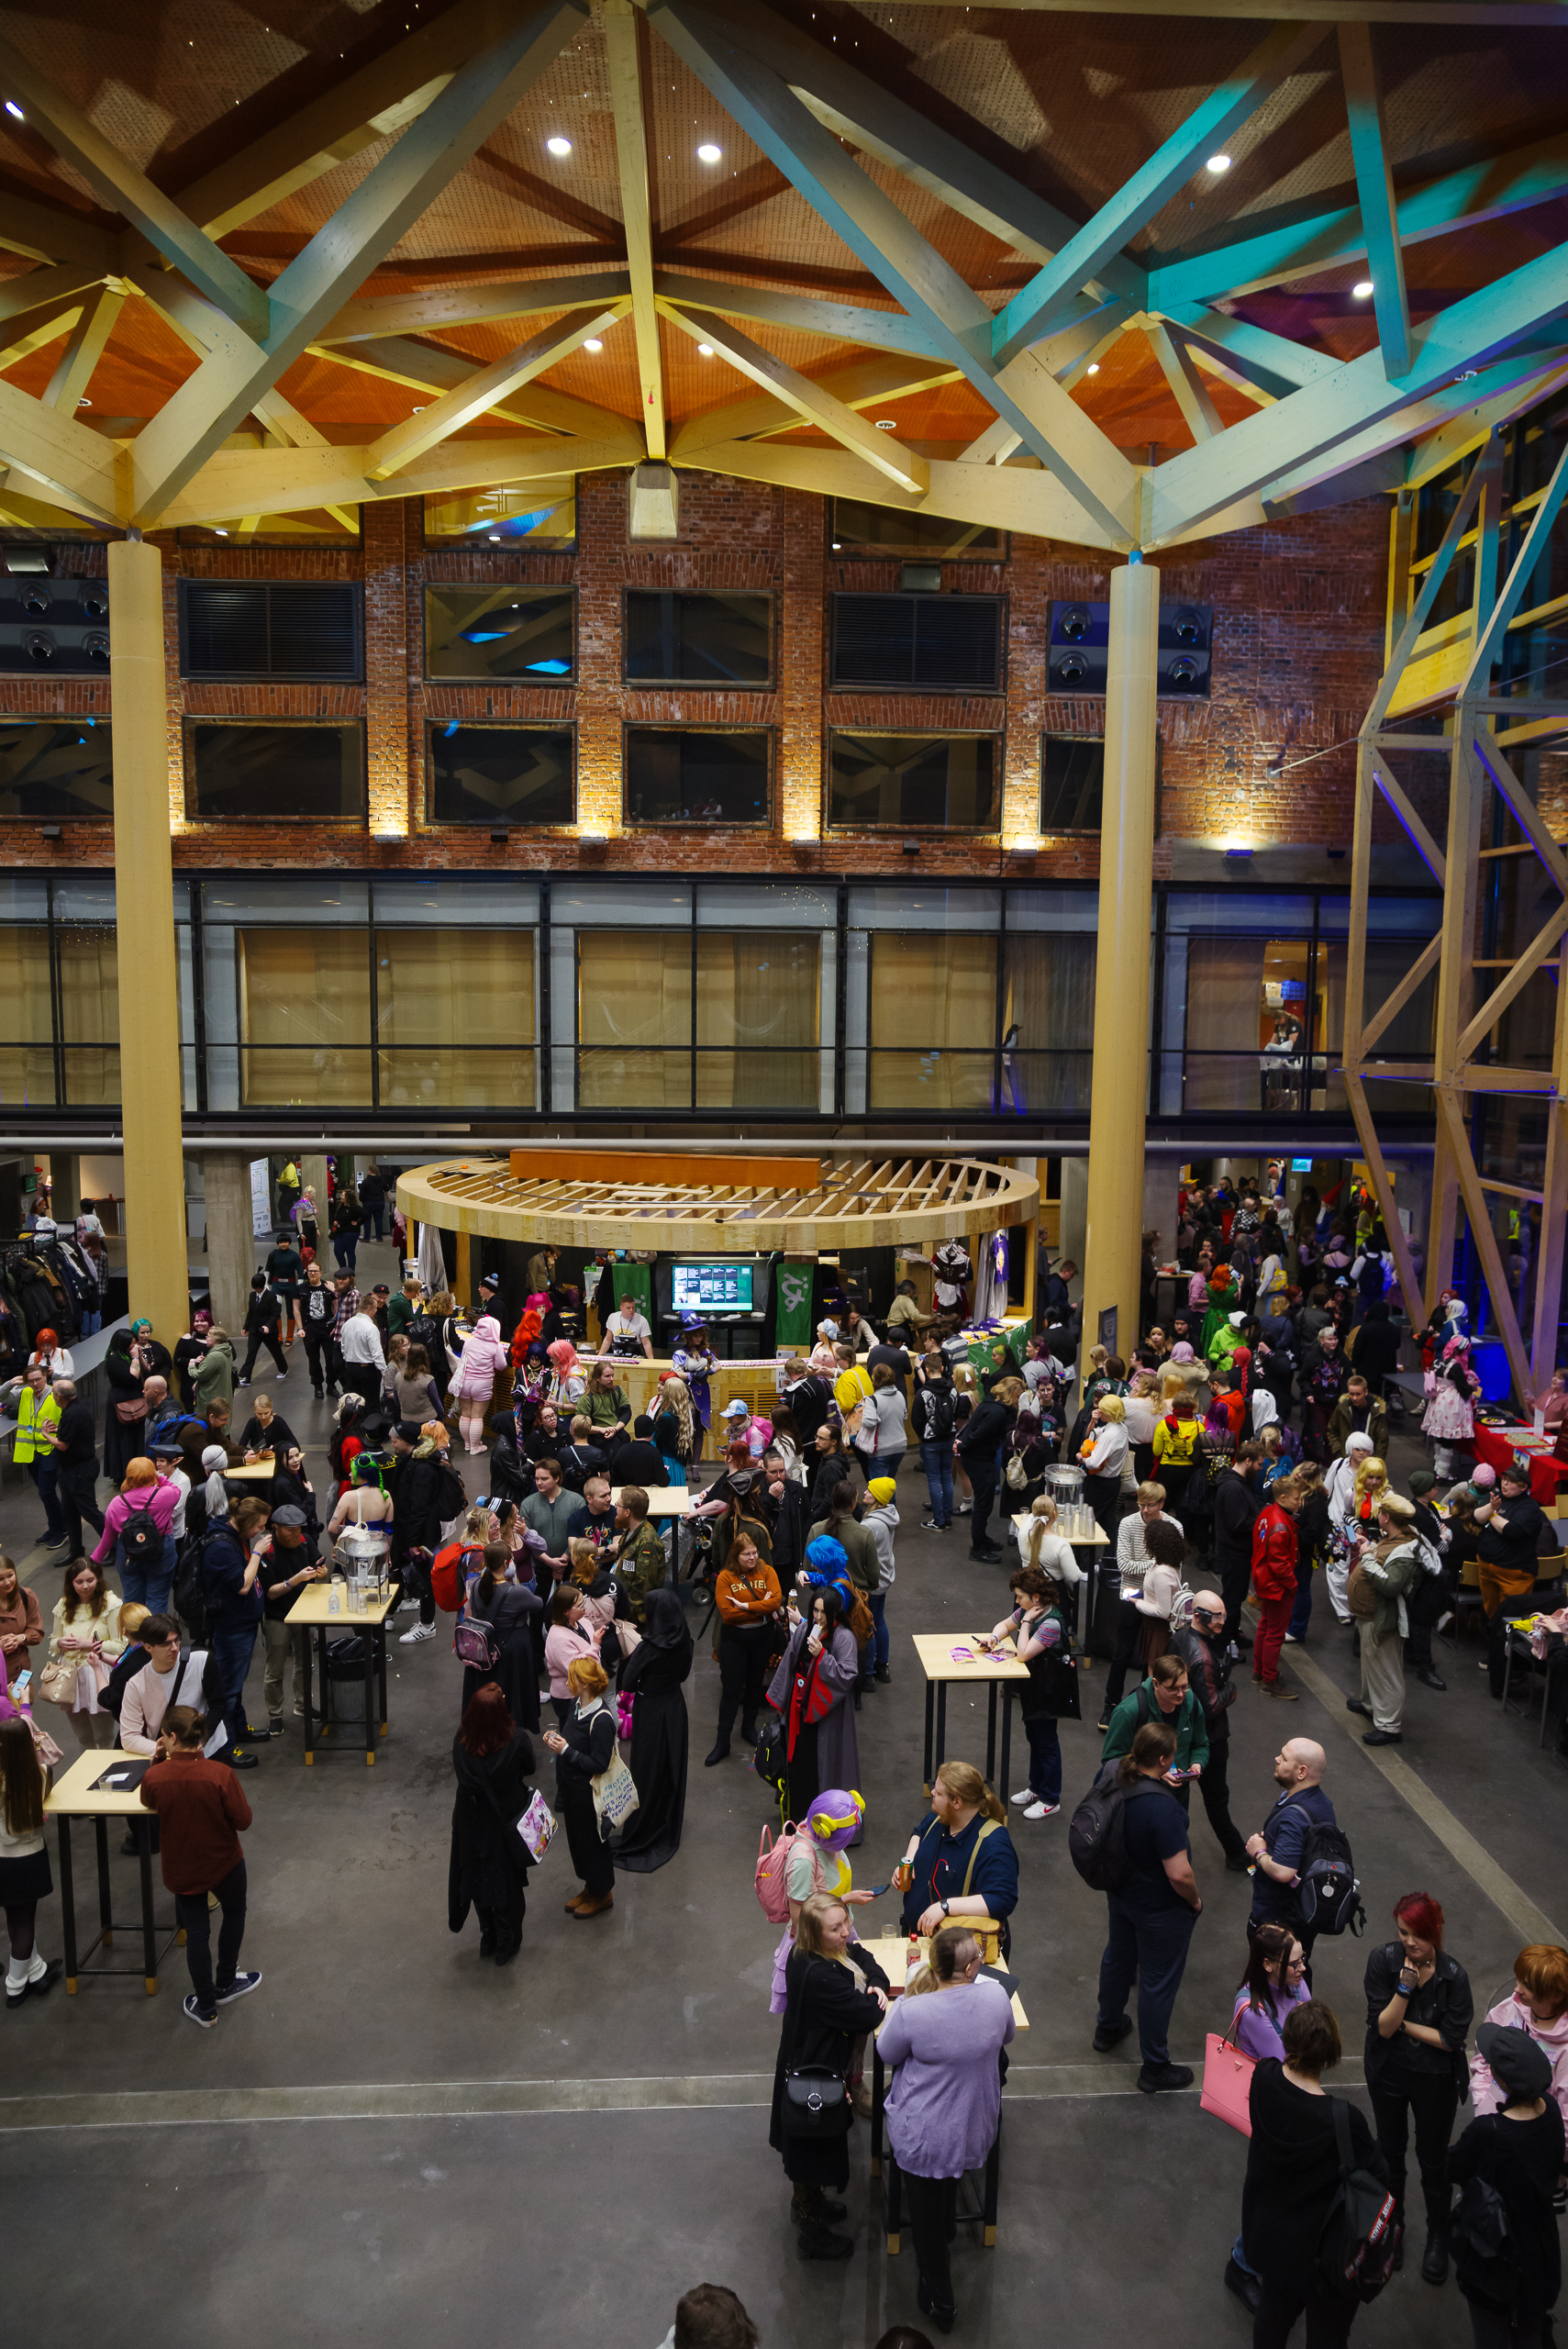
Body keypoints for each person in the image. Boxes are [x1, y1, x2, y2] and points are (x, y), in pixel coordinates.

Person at [876, 1924, 1016, 2334]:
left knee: (925, 2222)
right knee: (947, 2189)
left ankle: (941, 2300)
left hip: (925, 2135)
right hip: (973, 2125)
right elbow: (1006, 2036)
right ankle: (949, 2228)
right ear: (972, 1968)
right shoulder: (996, 1997)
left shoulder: (913, 2011)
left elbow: (886, 2052)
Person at [1242, 1998, 1388, 2348]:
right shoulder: (1343, 2120)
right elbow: (1378, 2174)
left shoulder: (1263, 2078)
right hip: (1323, 2254)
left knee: (1272, 2319)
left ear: (1287, 2040)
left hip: (1274, 2241)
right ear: (1331, 2052)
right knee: (1328, 2335)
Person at [769, 1890, 891, 2260]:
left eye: (845, 1922)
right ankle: (812, 2231)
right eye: (835, 1928)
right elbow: (869, 2014)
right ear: (815, 1932)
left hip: (804, 2059)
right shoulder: (821, 1976)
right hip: (814, 2074)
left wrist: (875, 1980)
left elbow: (860, 1953)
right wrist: (878, 1989)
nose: (846, 1933)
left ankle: (810, 2204)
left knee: (809, 2147)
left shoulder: (807, 1952)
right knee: (812, 2147)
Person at [1364, 1890, 1474, 2283]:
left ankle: (1437, 2235)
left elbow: (1450, 2040)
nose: (1410, 1942)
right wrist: (1404, 1989)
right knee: (1390, 2153)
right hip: (1388, 2073)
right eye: (1403, 1932)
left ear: (1436, 1931)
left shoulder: (1454, 1976)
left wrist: (1405, 2024)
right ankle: (1394, 2228)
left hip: (1435, 2080)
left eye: (1419, 1934)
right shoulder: (1383, 1960)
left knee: (1433, 2161)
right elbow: (1382, 2027)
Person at [1090, 1718, 1203, 2094]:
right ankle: (1154, 2066)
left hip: (1120, 1891)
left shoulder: (1113, 1773)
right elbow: (1179, 1874)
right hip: (1158, 1907)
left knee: (1118, 1958)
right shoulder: (1163, 1809)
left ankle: (1108, 2027)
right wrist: (1195, 1901)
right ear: (1165, 1760)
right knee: (1157, 1982)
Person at [139, 1703, 260, 2028]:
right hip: (225, 1863)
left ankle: (206, 2007)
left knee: (196, 1933)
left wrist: (158, 1760)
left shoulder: (155, 1777)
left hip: (183, 1869)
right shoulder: (220, 1775)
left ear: (171, 1738)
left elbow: (147, 1800)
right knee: (234, 1914)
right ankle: (226, 1982)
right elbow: (244, 1820)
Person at [1449, 2022, 1564, 2349]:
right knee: (1530, 2330)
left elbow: (1453, 2167)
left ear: (1502, 2081)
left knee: (1491, 2335)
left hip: (1496, 2250)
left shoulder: (1489, 2132)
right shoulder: (1552, 2112)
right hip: (1540, 2249)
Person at [448, 1680, 535, 1966]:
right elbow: (529, 1767)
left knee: (475, 1878)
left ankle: (488, 1936)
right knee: (505, 1882)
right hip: (503, 1821)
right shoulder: (516, 1739)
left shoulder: (461, 1740)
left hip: (470, 1821)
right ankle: (506, 1942)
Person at [980, 1561, 1074, 1820]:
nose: (1017, 1601)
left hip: (1050, 1690)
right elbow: (1004, 1625)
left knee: (1046, 1742)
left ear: (1036, 1597)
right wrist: (994, 1637)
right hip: (1035, 1687)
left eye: (1020, 1596)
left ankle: (1050, 1798)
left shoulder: (1050, 1623)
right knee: (1034, 1736)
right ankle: (1036, 1788)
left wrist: (1025, 1623)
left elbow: (1022, 1653)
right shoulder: (1028, 1610)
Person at [611, 1585, 692, 1873]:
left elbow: (627, 1683)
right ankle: (666, 1817)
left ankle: (644, 1822)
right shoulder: (685, 1641)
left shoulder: (648, 1648)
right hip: (675, 1707)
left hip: (650, 1711)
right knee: (671, 1766)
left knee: (646, 1770)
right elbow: (683, 1674)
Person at [895, 1760, 1018, 1942]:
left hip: (955, 1950)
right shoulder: (940, 1817)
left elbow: (1002, 1899)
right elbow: (919, 1833)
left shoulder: (993, 1844)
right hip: (917, 1939)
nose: (932, 1793)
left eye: (938, 1792)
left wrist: (945, 1907)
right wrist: (909, 1861)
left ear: (957, 1802)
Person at [769, 1583, 861, 1828]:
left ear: (835, 1613)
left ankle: (828, 1824)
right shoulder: (804, 1629)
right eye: (815, 1611)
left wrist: (822, 1656)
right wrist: (781, 1701)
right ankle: (800, 1821)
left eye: (824, 1612)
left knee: (825, 1766)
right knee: (800, 1766)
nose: (819, 1617)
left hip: (828, 1716)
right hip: (799, 1712)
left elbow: (847, 1676)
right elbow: (789, 1662)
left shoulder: (844, 1638)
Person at [1246, 1736, 1336, 1980]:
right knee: (1299, 1967)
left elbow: (1284, 1871)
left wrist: (1259, 1852)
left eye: (1284, 1758)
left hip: (1278, 1915)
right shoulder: (1322, 1803)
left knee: (1275, 1978)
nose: (1277, 1759)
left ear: (1301, 1772)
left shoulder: (1294, 1816)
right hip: (1304, 1912)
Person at [1171, 1586, 1248, 1869]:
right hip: (1208, 1740)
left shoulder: (1179, 1639)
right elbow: (1212, 1705)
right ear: (1198, 1616)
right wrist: (1231, 1689)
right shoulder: (1201, 1657)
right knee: (1216, 1800)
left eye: (1223, 1615)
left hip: (1179, 1732)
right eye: (1216, 1617)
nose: (1222, 1622)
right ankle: (1237, 1854)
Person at [540, 1654, 617, 1920]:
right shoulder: (576, 1704)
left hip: (589, 1796)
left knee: (593, 1844)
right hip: (572, 1791)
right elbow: (572, 1739)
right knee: (579, 1843)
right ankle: (591, 1887)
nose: (566, 1682)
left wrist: (566, 1750)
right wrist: (558, 1742)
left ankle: (602, 1894)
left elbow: (600, 1764)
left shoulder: (603, 1719)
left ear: (584, 1683)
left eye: (571, 1679)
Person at [1346, 1491, 1422, 1745]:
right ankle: (1371, 1705)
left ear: (1386, 1517)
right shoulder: (1393, 1537)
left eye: (1380, 1512)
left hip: (1382, 1618)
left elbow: (1390, 1585)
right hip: (1369, 1615)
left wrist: (1367, 1555)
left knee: (1387, 1672)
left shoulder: (1405, 1550)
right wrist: (1369, 1547)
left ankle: (1390, 1727)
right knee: (1372, 1666)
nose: (1377, 1515)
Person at [201, 1496, 271, 1765]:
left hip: (243, 1622)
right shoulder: (221, 1547)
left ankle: (240, 1729)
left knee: (236, 1684)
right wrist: (257, 1553)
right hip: (231, 1627)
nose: (261, 1531)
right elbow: (242, 1585)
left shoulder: (234, 1535)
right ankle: (227, 1747)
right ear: (245, 1521)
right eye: (259, 1526)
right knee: (228, 1689)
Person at [1104, 1482, 1185, 1713]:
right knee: (1123, 1652)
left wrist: (1156, 1571)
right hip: (1132, 1593)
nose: (1145, 1510)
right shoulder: (1127, 1524)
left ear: (1162, 1503)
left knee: (1154, 1657)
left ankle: (1146, 1706)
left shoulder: (1175, 1526)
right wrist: (1157, 1564)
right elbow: (1124, 1566)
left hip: (1160, 1598)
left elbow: (1176, 1564)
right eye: (1141, 1505)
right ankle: (1111, 1705)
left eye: (1150, 1505)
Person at [1471, 1943, 1568, 2134]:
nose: (1517, 1989)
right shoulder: (1511, 2006)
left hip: (1531, 2140)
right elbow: (1484, 2054)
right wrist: (1481, 2099)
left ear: (1556, 1995)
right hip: (1489, 2121)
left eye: (1528, 1986)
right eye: (1519, 1980)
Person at [0, 1712, 61, 2008]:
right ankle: (15, 1986)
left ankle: (36, 1970)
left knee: (13, 1917)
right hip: (28, 1858)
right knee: (25, 1921)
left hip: (2, 1858)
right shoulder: (39, 1774)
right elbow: (52, 1758)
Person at [1474, 1464, 1549, 1700]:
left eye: (1511, 1481)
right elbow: (1476, 1517)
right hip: (1488, 1570)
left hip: (1514, 1574)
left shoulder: (1530, 1508)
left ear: (1523, 1486)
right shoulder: (1497, 1499)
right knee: (1492, 1615)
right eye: (1504, 1479)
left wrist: (1492, 1514)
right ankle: (1497, 1658)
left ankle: (1514, 1667)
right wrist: (1491, 1509)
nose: (1504, 1483)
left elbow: (1512, 1531)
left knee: (1511, 1622)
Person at [707, 1530, 782, 1765]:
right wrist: (761, 1606)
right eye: (747, 1554)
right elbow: (728, 1614)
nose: (753, 1557)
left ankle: (748, 1728)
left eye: (755, 1553)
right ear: (736, 1555)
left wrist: (745, 1606)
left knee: (754, 1685)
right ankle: (722, 1741)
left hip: (762, 1638)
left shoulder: (767, 1571)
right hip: (734, 1641)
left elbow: (776, 1602)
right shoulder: (725, 1577)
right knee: (731, 1690)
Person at [1100, 1650, 1208, 1798]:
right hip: (1140, 1796)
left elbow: (1201, 1745)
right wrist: (1152, 1773)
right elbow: (1111, 1760)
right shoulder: (1128, 1712)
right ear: (1156, 1684)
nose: (1181, 1694)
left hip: (1178, 1797)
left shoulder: (1191, 1703)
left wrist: (1197, 1763)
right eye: (1173, 1689)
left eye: (1185, 1686)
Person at [43, 1557, 126, 1748]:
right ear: (71, 1583)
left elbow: (120, 1647)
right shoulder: (64, 1605)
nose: (85, 1586)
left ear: (98, 1579)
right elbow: (53, 1642)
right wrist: (61, 1642)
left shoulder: (111, 1604)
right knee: (83, 1736)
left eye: (90, 1580)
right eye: (79, 1582)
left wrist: (89, 1644)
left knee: (104, 1736)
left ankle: (106, 1766)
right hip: (69, 1676)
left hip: (98, 1673)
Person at [461, 1542, 543, 1733]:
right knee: (513, 1691)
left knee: (488, 1688)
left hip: (484, 1647)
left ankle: (487, 1728)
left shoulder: (477, 1586)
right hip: (511, 1648)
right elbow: (538, 1604)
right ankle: (511, 1732)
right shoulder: (517, 1592)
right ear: (506, 1563)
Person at [255, 1504, 323, 1731]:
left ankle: (303, 1705)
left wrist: (321, 1571)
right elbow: (270, 1593)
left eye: (298, 1529)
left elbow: (318, 1564)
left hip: (304, 1613)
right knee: (275, 1670)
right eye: (290, 1530)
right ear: (276, 1527)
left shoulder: (305, 1541)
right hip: (278, 1617)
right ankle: (275, 1715)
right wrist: (295, 1580)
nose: (296, 1534)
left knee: (305, 1664)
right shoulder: (266, 1551)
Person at [92, 1455, 180, 1616]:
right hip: (161, 1552)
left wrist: (93, 1561)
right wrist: (158, 1477)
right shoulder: (166, 1495)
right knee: (158, 1598)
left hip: (128, 1555)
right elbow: (175, 1489)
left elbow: (108, 1536)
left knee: (132, 1602)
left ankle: (132, 1631)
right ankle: (154, 1631)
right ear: (152, 1475)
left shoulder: (116, 1504)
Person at [1252, 1472, 1303, 1698]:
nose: (1299, 1502)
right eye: (1296, 1498)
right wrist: (1292, 1585)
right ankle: (1270, 1680)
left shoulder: (1267, 1512)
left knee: (1265, 1626)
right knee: (1275, 1634)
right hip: (1278, 1588)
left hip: (1264, 1582)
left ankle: (1259, 1671)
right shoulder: (1281, 1527)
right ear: (1282, 1498)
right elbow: (1280, 1565)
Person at [44, 1377, 106, 1563]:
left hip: (79, 1471)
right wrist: (59, 1431)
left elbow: (63, 1445)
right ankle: (76, 1550)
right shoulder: (74, 1410)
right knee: (70, 1512)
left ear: (59, 1396)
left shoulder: (72, 1414)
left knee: (89, 1512)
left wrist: (46, 1434)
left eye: (53, 1394)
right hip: (69, 1470)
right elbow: (72, 1435)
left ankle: (115, 1545)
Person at [1213, 1439, 1265, 1653]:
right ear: (1247, 1461)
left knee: (1237, 1597)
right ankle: (1224, 1643)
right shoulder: (1234, 1488)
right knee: (1232, 1600)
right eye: (1259, 1464)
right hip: (1233, 1554)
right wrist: (1262, 1522)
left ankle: (1233, 1633)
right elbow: (1238, 1523)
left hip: (1239, 1552)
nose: (1261, 1468)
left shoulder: (1242, 1482)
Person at [956, 1375, 1014, 1561]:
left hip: (977, 1457)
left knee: (985, 1502)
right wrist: (963, 1446)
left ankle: (982, 1538)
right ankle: (978, 1548)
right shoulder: (998, 1412)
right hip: (978, 1460)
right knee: (983, 1504)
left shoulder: (991, 1403)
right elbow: (979, 1434)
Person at [608, 1486, 670, 1625]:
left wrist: (623, 1614)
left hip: (636, 1619)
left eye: (618, 1504)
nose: (615, 1507)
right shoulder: (630, 1531)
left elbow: (642, 1589)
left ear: (627, 1512)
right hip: (622, 1605)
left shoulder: (647, 1543)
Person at [237, 1271, 289, 1387]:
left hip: (269, 1331)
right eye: (255, 1288)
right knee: (251, 1352)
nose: (257, 1290)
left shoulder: (271, 1296)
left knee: (275, 1351)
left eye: (259, 1288)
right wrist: (245, 1327)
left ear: (263, 1285)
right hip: (254, 1330)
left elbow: (276, 1313)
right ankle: (246, 1377)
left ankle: (283, 1368)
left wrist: (268, 1326)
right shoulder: (252, 1296)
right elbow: (250, 1313)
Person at [0, 1555, 44, 1691]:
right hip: (2, 1673)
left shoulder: (26, 1596)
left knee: (23, 1703)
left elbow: (36, 1632)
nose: (7, 1582)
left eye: (10, 1575)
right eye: (1, 1579)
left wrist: (21, 1638)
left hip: (21, 1672)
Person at [299, 1261, 336, 1398]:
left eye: (315, 1271)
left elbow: (336, 1306)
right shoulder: (301, 1288)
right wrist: (300, 1327)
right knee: (313, 1359)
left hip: (327, 1327)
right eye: (310, 1271)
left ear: (320, 1272)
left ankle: (331, 1385)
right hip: (310, 1327)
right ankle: (317, 1385)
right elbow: (296, 1309)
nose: (312, 1273)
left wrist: (335, 1324)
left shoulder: (328, 1287)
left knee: (331, 1358)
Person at [237, 1389, 297, 1463]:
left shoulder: (278, 1421)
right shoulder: (252, 1422)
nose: (263, 1417)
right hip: (257, 1461)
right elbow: (240, 1447)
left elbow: (295, 1445)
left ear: (271, 1409)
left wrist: (278, 1448)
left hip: (277, 1461)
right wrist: (252, 1452)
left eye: (266, 1413)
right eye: (259, 1414)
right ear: (254, 1411)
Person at [600, 1289, 653, 1360]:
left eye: (633, 1307)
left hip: (636, 1358)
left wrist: (651, 1361)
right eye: (628, 1308)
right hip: (618, 1356)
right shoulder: (613, 1317)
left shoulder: (642, 1320)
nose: (631, 1310)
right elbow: (607, 1339)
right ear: (621, 1308)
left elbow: (646, 1343)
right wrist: (599, 1356)